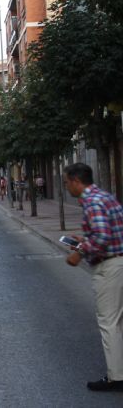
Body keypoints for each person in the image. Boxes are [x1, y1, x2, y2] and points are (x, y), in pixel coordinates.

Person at [63, 163, 123, 391]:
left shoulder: (92, 201)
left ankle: (116, 377)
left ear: (77, 181)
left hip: (110, 266)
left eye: (67, 182)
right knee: (118, 321)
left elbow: (101, 237)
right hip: (119, 260)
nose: (66, 186)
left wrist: (79, 253)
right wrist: (83, 240)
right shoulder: (104, 196)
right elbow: (105, 232)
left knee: (109, 322)